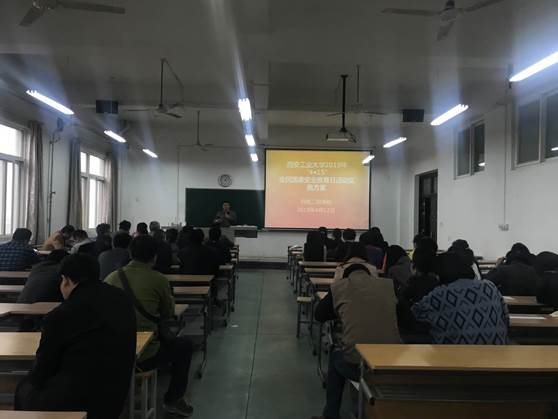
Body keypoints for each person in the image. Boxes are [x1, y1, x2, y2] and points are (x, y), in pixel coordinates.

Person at [15, 254, 136, 419]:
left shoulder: (61, 315)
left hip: (74, 401)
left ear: (65, 280)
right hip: (116, 397)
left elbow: (42, 370)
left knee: (24, 387)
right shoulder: (122, 298)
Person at [105, 236, 194, 417]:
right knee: (185, 346)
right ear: (154, 257)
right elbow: (169, 313)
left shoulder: (111, 277)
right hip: (145, 353)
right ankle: (173, 399)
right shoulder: (158, 279)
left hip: (111, 351)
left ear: (130, 253)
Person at [313, 243, 400, 419]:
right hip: (392, 361)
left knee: (336, 357)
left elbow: (319, 315)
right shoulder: (388, 285)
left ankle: (331, 414)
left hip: (358, 364)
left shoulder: (340, 287)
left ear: (345, 276)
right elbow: (404, 317)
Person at [412, 252, 509, 344]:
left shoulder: (439, 295)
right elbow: (505, 318)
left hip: (456, 353)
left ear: (439, 273)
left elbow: (414, 314)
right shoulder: (489, 286)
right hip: (497, 350)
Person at [397, 247, 439, 339]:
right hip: (435, 323)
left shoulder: (414, 281)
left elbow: (402, 299)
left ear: (414, 264)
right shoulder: (437, 281)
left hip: (417, 324)